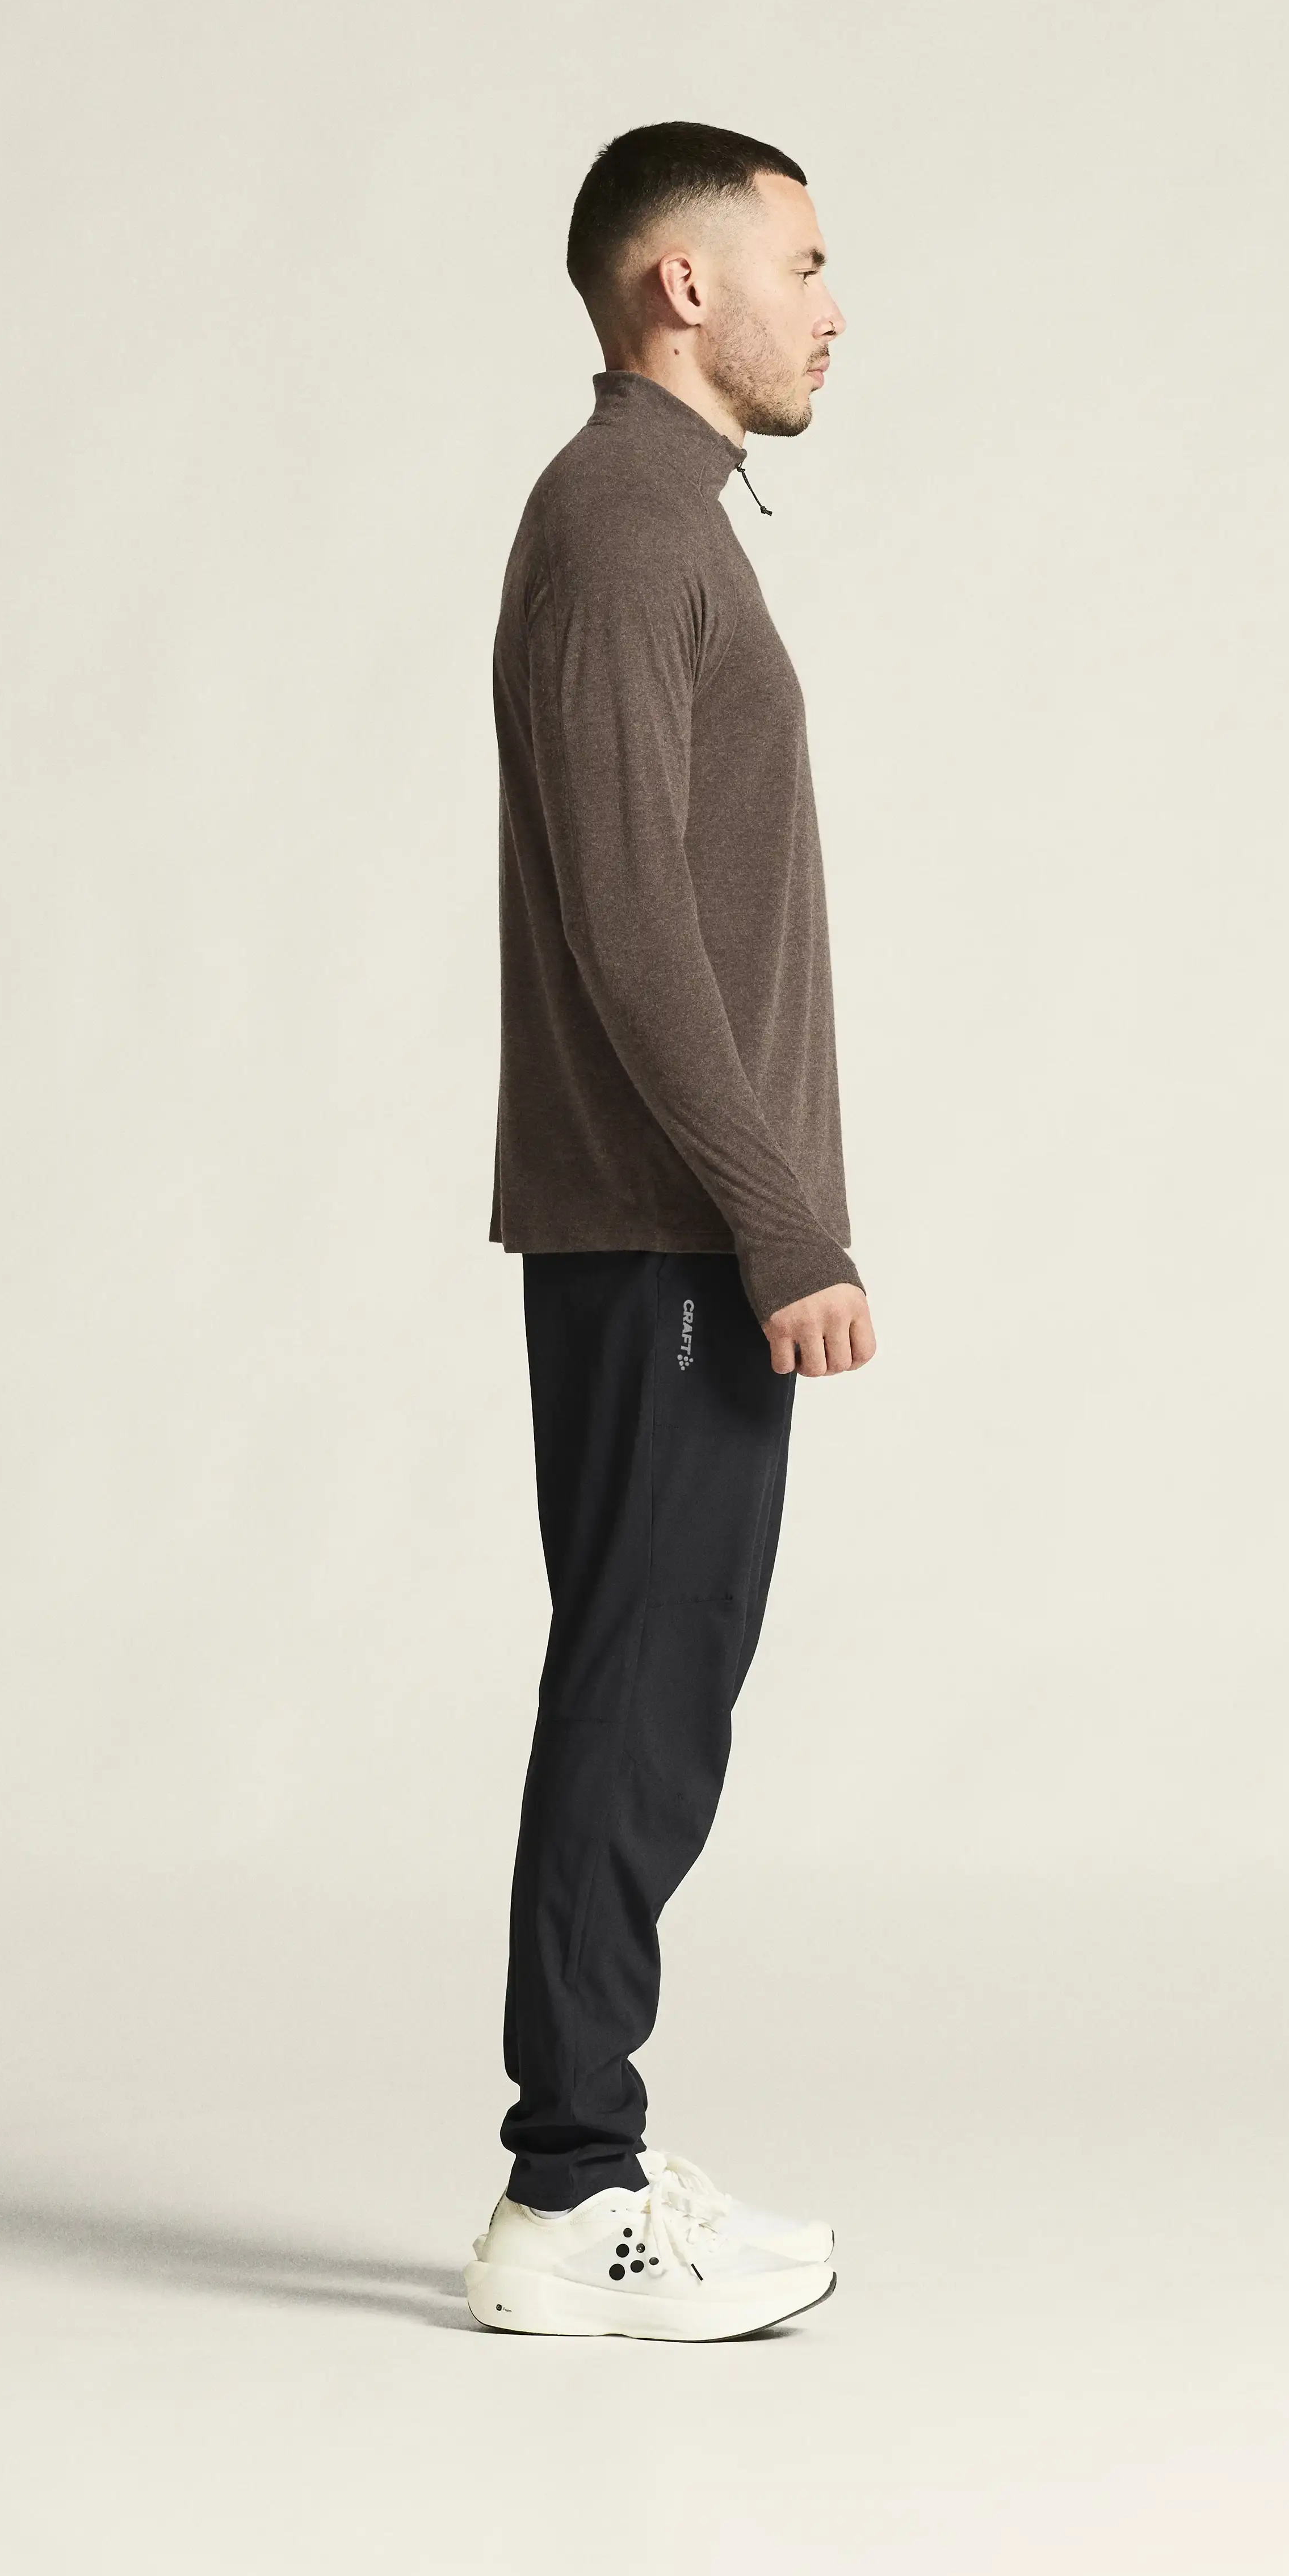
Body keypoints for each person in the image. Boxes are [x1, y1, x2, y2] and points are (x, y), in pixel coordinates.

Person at [462, 123, 872, 2342]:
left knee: (656, 1668)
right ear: (678, 286)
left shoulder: (657, 516)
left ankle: (592, 2152)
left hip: (665, 1224)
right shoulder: (622, 524)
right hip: (669, 1231)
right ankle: (567, 2190)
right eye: (799, 260)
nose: (832, 304)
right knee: (644, 1674)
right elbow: (634, 928)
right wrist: (783, 1224)